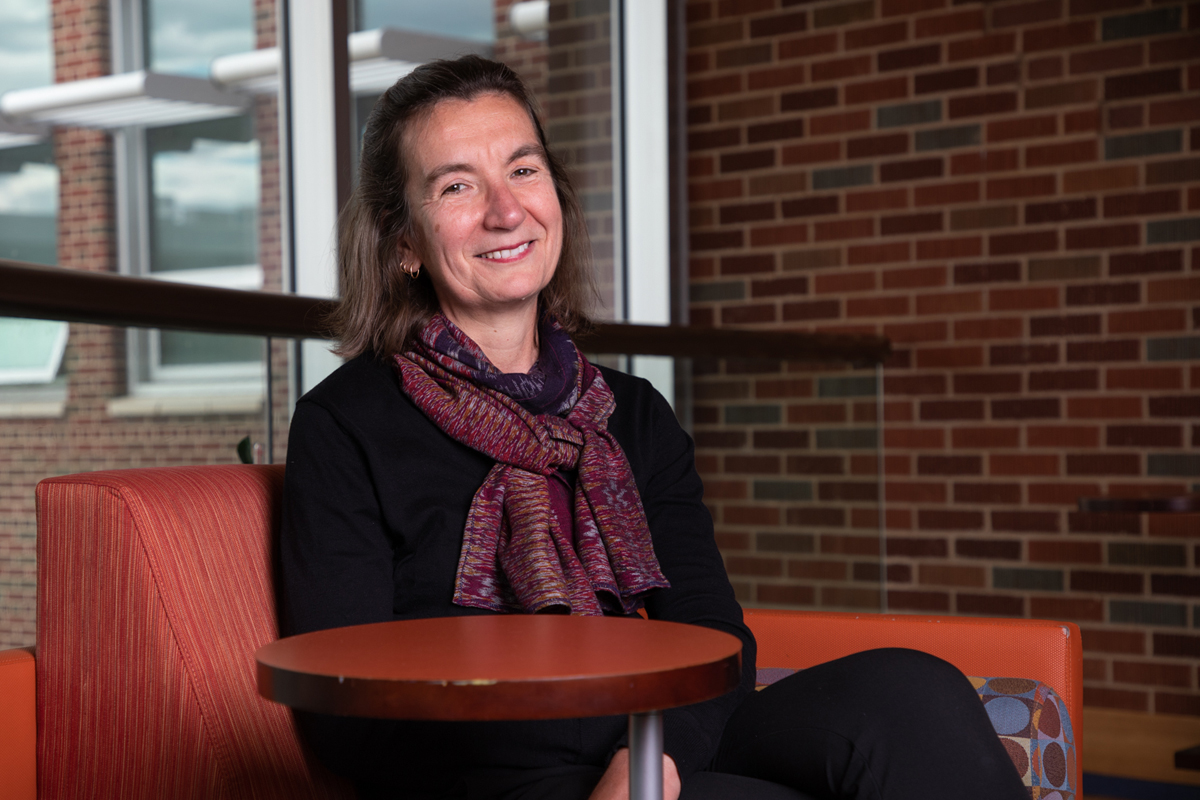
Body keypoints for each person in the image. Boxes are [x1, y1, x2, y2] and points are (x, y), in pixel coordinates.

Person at [280, 55, 1028, 800]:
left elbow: (715, 635)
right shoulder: (345, 425)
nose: (506, 211)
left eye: (523, 170)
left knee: (910, 687)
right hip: (498, 776)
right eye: (456, 186)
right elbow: (344, 704)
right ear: (403, 242)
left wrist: (650, 763)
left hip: (658, 744)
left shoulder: (632, 414)